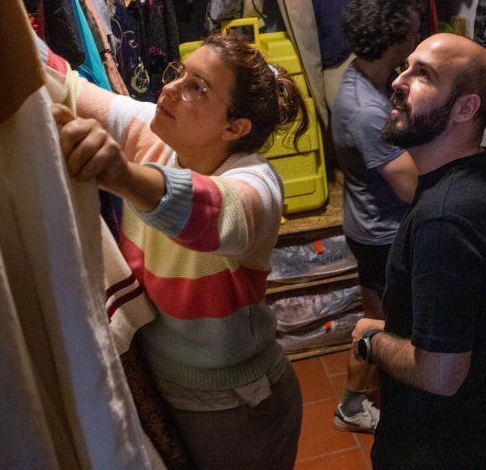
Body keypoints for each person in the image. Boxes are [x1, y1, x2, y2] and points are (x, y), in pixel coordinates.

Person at [43, 33, 307, 470]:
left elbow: (217, 213)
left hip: (236, 404)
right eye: (181, 74)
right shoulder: (155, 134)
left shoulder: (258, 181)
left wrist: (124, 176)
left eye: (196, 87)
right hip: (170, 384)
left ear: (234, 128)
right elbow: (67, 86)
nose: (168, 88)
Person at [351, 33, 486, 469]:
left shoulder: (445, 217)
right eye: (405, 68)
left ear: (465, 108)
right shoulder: (478, 175)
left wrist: (371, 339)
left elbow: (441, 374)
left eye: (423, 74)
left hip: (438, 448)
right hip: (475, 430)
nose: (398, 81)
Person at [331, 0, 423, 433]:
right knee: (384, 325)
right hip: (381, 233)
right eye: (414, 33)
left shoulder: (365, 78)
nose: (419, 39)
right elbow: (411, 187)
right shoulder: (366, 109)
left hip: (369, 224)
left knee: (378, 320)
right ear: (393, 40)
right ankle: (358, 405)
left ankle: (358, 401)